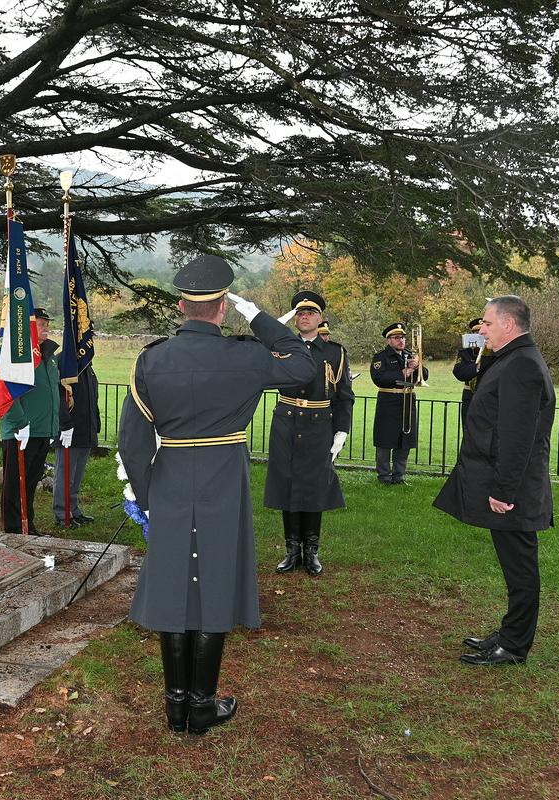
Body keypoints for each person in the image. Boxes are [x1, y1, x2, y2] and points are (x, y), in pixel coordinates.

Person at [119, 255, 315, 736]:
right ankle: (200, 705)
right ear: (222, 307)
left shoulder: (152, 358)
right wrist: (261, 318)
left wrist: (145, 498)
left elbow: (132, 440)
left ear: (182, 305)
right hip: (223, 478)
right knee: (215, 581)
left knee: (173, 585)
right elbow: (303, 365)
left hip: (168, 479)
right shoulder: (247, 357)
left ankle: (176, 706)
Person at [434, 296, 554, 666]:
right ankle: (509, 633)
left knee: (520, 568)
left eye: (486, 323)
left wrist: (503, 491)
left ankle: (515, 645)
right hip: (504, 483)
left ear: (508, 324)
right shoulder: (512, 359)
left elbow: (518, 437)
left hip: (512, 489)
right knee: (513, 564)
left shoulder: (521, 365)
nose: (480, 329)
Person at [265, 291, 354, 576]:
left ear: (320, 318)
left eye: (310, 313)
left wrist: (341, 429)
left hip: (319, 426)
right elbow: (258, 349)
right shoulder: (281, 346)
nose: (305, 317)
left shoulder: (334, 352)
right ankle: (291, 550)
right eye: (300, 313)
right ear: (295, 319)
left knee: (314, 487)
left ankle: (311, 550)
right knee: (287, 484)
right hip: (287, 422)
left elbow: (345, 395)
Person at [0, 307, 60, 535]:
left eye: (47, 324)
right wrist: (18, 422)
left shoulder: (48, 356)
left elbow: (53, 392)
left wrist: (57, 425)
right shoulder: (20, 354)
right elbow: (6, 390)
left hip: (42, 429)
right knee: (15, 483)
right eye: (41, 324)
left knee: (31, 481)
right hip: (21, 431)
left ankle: (28, 524)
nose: (46, 328)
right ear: (29, 327)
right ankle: (13, 528)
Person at [370, 322, 427, 484]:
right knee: (385, 440)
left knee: (405, 440)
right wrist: (404, 372)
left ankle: (399, 476)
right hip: (389, 401)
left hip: (407, 399)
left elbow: (425, 376)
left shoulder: (409, 354)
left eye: (402, 337)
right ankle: (384, 476)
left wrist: (417, 367)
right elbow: (379, 378)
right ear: (389, 340)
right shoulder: (381, 357)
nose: (401, 340)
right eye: (396, 338)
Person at [54, 361, 100, 528]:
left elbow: (91, 398)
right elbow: (59, 397)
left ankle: (73, 509)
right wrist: (65, 424)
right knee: (65, 475)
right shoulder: (65, 362)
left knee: (76, 476)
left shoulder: (87, 365)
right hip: (69, 429)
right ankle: (62, 512)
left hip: (85, 430)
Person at [452, 317, 494, 427]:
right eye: (476, 333)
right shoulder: (465, 353)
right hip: (469, 396)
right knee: (468, 431)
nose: (480, 336)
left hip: (488, 397)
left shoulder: (494, 351)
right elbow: (459, 373)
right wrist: (477, 367)